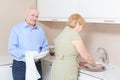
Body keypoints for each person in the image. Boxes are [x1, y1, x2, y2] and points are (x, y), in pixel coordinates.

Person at [51, 13, 102, 80]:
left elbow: (67, 54)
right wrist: (95, 65)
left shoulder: (63, 33)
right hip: (67, 70)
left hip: (56, 69)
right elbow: (86, 57)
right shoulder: (74, 35)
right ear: (77, 23)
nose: (82, 29)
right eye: (82, 26)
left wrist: (80, 63)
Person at [8, 7, 49, 80]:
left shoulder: (40, 31)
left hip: (37, 65)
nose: (34, 18)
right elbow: (12, 49)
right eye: (32, 15)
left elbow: (45, 46)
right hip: (21, 66)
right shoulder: (16, 29)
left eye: (36, 16)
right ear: (26, 15)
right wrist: (27, 53)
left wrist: (42, 54)